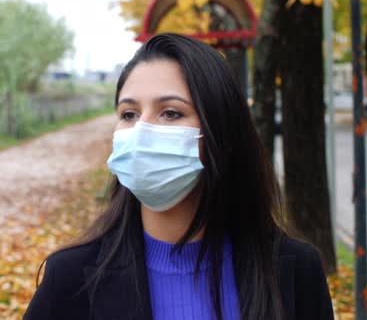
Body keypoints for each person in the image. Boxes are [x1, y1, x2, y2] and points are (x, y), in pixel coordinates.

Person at [23, 33, 334, 320]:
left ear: (221, 132)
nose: (141, 131)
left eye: (170, 112)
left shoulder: (295, 271)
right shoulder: (71, 277)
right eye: (129, 114)